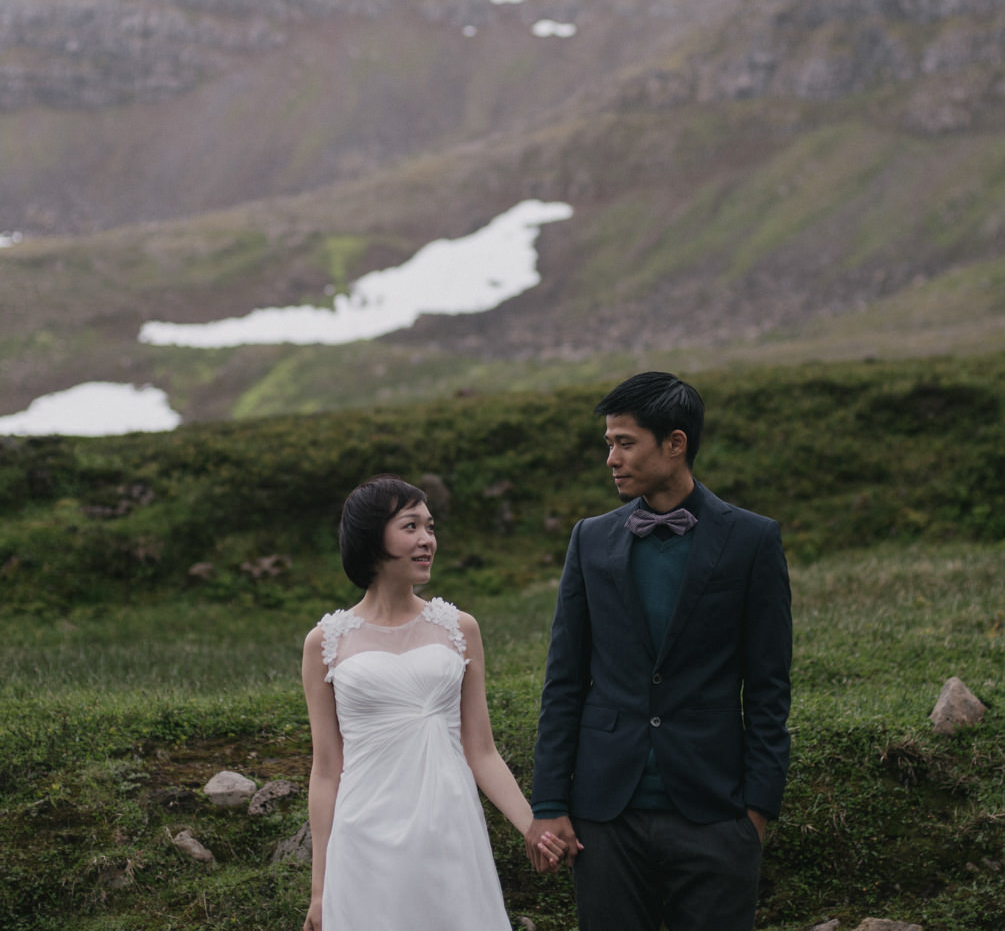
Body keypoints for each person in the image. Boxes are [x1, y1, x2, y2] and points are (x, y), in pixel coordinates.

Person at [524, 372, 793, 930]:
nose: (611, 459)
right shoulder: (589, 539)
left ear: (675, 443)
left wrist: (756, 813)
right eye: (608, 443)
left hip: (715, 814)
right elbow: (564, 681)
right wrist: (550, 803)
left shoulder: (752, 540)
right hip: (605, 816)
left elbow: (769, 687)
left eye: (625, 442)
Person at [302, 475, 565, 931]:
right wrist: (320, 890)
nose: (427, 540)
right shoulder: (325, 642)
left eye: (430, 527)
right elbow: (327, 770)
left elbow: (481, 750)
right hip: (363, 839)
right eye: (410, 527)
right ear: (371, 537)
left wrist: (531, 826)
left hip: (449, 830)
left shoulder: (459, 628)